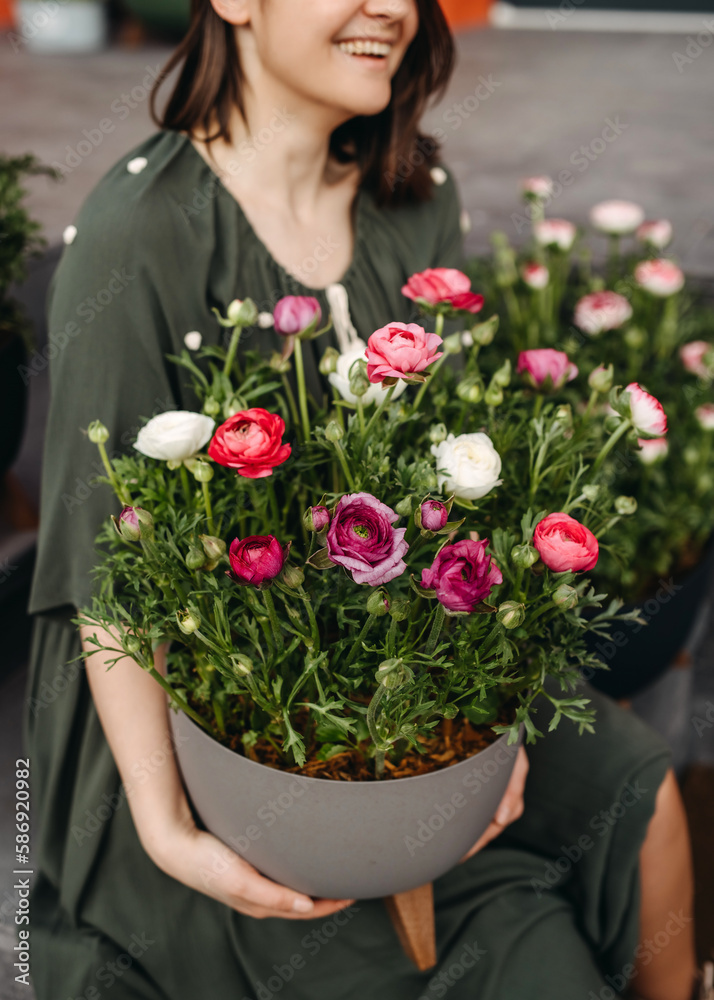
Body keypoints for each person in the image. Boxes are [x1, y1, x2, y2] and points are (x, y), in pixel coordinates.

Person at [24, 1, 698, 997]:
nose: (391, 5)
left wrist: (492, 736)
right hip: (194, 709)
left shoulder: (413, 197)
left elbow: (446, 495)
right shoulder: (143, 232)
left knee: (637, 784)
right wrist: (172, 834)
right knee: (470, 954)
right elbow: (103, 578)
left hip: (401, 655)